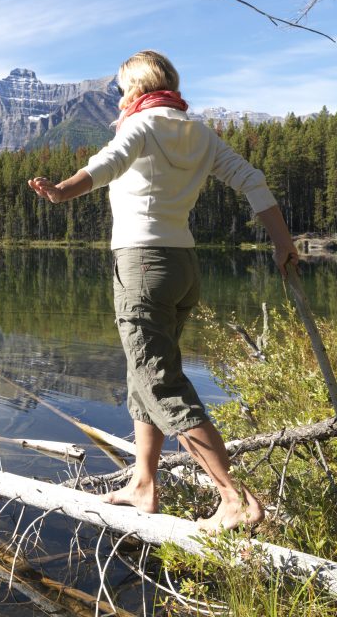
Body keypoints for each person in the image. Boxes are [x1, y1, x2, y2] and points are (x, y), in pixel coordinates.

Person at [28, 50, 298, 531]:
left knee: (159, 382)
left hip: (141, 265)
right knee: (144, 373)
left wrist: (62, 191)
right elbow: (253, 181)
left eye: (119, 90)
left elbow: (107, 164)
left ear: (134, 87)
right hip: (182, 265)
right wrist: (282, 242)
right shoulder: (199, 132)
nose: (118, 98)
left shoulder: (141, 125)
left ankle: (235, 499)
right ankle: (143, 485)